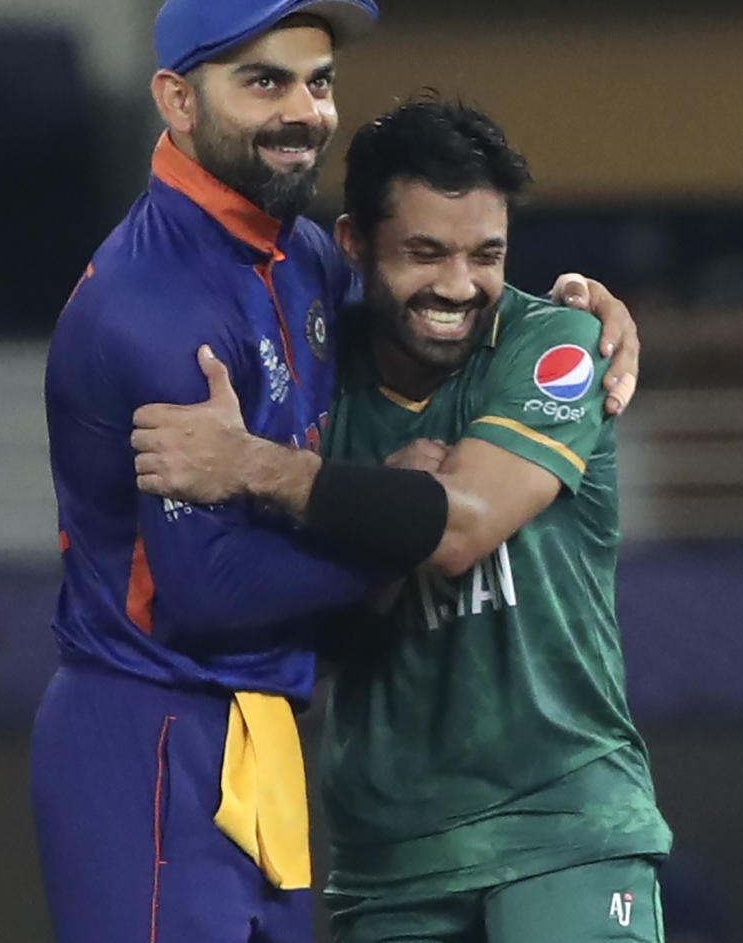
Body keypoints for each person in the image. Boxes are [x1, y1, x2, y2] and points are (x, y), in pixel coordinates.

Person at [35, 0, 639, 942]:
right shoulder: (148, 304)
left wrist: (570, 314)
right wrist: (385, 539)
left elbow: (436, 292)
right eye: (262, 81)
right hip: (148, 730)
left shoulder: (301, 259)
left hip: (260, 737)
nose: (301, 113)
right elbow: (207, 587)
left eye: (318, 83)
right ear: (177, 101)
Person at [130, 98, 670, 943]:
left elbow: (460, 527)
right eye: (425, 252)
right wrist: (374, 534)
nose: (459, 285)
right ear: (355, 245)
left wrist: (254, 468)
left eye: (485, 254)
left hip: (565, 826)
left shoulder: (555, 344)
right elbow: (304, 637)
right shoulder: (311, 386)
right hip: (386, 860)